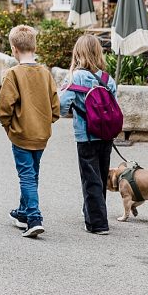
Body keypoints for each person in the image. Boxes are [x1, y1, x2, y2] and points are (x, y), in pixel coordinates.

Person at [0, 25, 60, 239]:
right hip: (42, 134)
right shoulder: (45, 73)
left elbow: (4, 108)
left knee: (26, 175)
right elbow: (55, 107)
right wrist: (46, 123)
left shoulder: (13, 74)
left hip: (21, 133)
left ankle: (34, 217)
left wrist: (10, 128)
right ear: (35, 46)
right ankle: (23, 212)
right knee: (32, 173)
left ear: (14, 49)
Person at [60, 34, 118, 235]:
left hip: (86, 135)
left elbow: (61, 106)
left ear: (78, 52)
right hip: (106, 135)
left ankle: (97, 223)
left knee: (90, 178)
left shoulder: (75, 77)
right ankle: (94, 212)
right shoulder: (107, 78)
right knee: (100, 176)